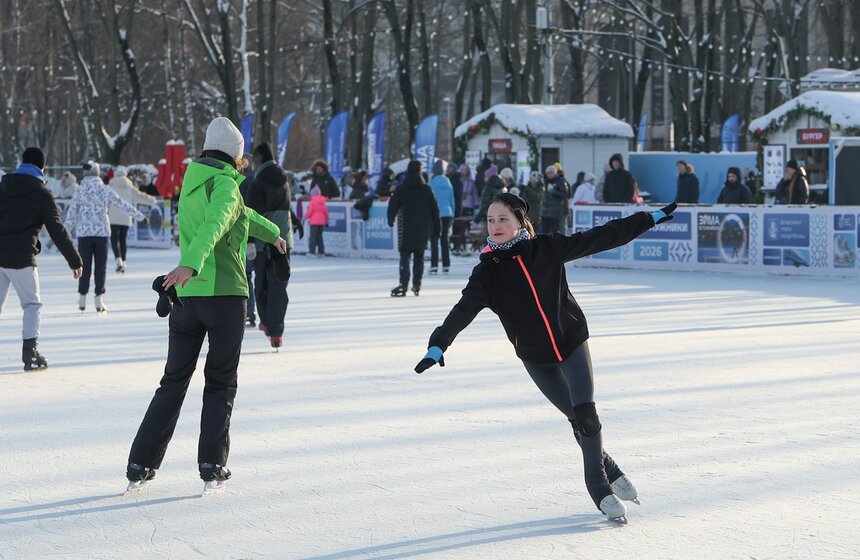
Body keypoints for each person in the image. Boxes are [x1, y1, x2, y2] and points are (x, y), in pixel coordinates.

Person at [413, 191, 678, 522]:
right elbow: (462, 310)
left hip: (571, 341)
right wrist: (439, 343)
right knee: (574, 418)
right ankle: (609, 467)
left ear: (519, 222)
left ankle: (598, 486)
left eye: (502, 219)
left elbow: (600, 237)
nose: (494, 226)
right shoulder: (487, 274)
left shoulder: (547, 249)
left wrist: (646, 219)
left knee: (586, 416)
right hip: (536, 356)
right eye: (490, 220)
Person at [126, 116, 286, 494]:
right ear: (236, 156)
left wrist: (274, 234)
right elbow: (215, 225)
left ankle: (140, 463)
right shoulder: (228, 186)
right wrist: (191, 263)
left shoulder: (193, 183)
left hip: (187, 299)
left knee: (173, 382)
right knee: (220, 383)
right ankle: (212, 463)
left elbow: (241, 217)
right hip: (224, 297)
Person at [0, 147, 83, 371]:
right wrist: (75, 260)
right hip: (21, 258)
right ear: (42, 167)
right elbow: (57, 229)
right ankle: (30, 353)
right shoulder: (41, 193)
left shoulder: (3, 185)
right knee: (32, 304)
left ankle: (31, 352)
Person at [65, 161, 145, 313]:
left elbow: (72, 212)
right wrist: (139, 215)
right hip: (102, 233)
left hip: (84, 234)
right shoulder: (104, 189)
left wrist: (64, 232)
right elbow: (121, 204)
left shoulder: (80, 190)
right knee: (100, 267)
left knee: (84, 266)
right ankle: (98, 299)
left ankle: (82, 297)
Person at [247, 141, 299, 349]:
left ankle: (267, 323)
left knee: (262, 284)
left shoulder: (257, 182)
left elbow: (251, 213)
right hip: (283, 240)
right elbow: (285, 206)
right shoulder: (283, 179)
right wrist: (295, 221)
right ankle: (277, 330)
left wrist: (250, 240)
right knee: (279, 285)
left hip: (262, 240)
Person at [387, 160, 440, 296]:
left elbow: (393, 205)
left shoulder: (402, 189)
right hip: (422, 227)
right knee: (419, 256)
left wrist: (391, 219)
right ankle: (417, 284)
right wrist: (437, 228)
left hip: (405, 228)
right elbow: (435, 210)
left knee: (404, 255)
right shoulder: (427, 189)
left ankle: (403, 284)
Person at [109, 167, 157, 274]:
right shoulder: (129, 186)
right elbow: (140, 196)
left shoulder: (111, 185)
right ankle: (124, 261)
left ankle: (118, 260)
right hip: (126, 217)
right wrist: (152, 200)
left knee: (114, 240)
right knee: (122, 240)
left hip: (113, 217)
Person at [429, 160, 455, 274]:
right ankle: (446, 265)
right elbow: (452, 200)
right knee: (445, 240)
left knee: (434, 240)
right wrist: (452, 213)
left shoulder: (431, 183)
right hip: (447, 213)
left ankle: (434, 265)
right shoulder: (448, 182)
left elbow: (429, 201)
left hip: (435, 215)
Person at [474, 165, 506, 238]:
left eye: (485, 176)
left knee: (488, 239)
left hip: (489, 217)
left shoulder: (488, 188)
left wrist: (477, 219)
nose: (484, 178)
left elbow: (485, 205)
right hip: (500, 217)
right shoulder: (501, 187)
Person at [540, 165, 568, 234]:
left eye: (551, 172)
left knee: (555, 233)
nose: (549, 174)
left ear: (554, 173)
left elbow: (565, 194)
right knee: (544, 233)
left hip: (555, 213)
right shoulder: (544, 182)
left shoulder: (560, 181)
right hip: (545, 213)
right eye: (547, 173)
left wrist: (554, 191)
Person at [304, 186, 329, 256]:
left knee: (313, 237)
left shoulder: (312, 201)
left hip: (314, 222)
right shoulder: (323, 202)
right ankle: (321, 252)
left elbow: (309, 211)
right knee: (319, 237)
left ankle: (312, 252)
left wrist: (305, 217)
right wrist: (326, 220)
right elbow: (326, 212)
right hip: (322, 222)